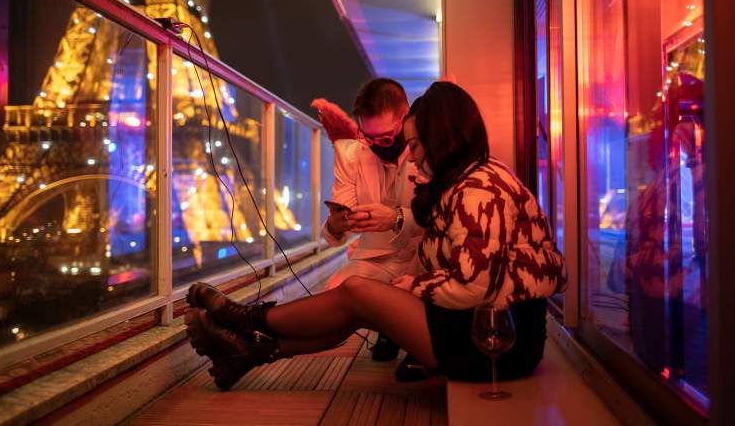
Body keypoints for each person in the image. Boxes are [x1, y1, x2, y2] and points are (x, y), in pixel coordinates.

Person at [184, 81, 568, 391]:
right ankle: (248, 349)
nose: (411, 156)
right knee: (355, 297)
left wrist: (414, 287)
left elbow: (477, 287)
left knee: (358, 294)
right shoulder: (464, 181)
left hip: (496, 340)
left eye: (415, 144)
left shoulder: (478, 190)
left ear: (442, 138)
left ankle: (246, 321)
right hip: (477, 323)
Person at [315, 78, 424, 368]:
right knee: (335, 293)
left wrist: (396, 218)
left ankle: (416, 339)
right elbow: (338, 226)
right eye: (369, 137)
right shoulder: (350, 154)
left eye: (386, 139)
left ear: (406, 119)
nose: (377, 146)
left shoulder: (426, 151)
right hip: (378, 257)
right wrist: (337, 225)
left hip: (425, 256)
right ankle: (390, 327)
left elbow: (441, 215)